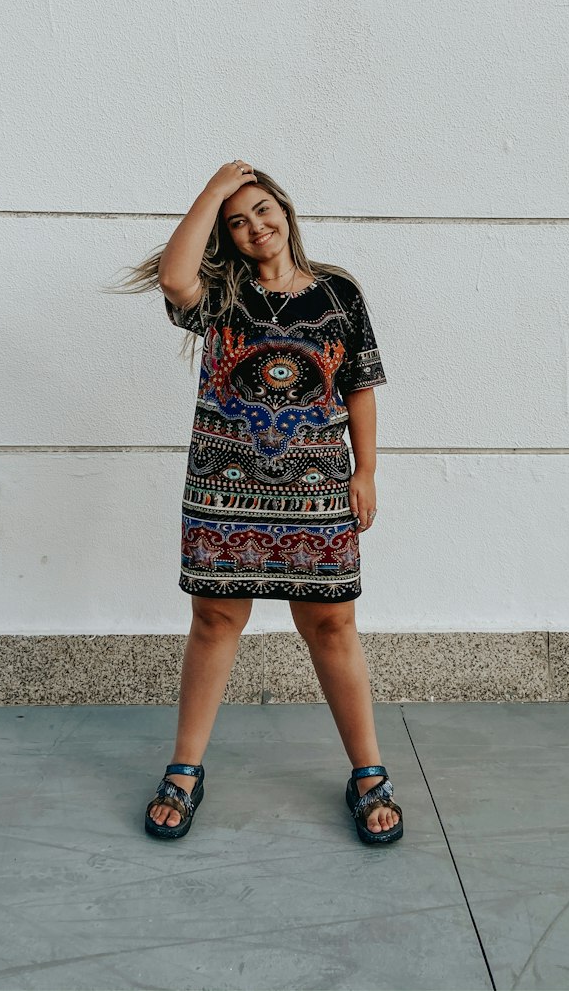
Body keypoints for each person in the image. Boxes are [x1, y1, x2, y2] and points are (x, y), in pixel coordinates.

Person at [114, 160, 403, 845]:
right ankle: (185, 768)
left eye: (263, 210)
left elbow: (359, 384)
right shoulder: (219, 294)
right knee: (215, 619)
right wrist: (213, 188)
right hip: (224, 482)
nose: (255, 227)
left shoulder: (338, 294)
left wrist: (367, 471)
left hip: (317, 485)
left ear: (287, 210)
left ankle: (368, 772)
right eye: (237, 220)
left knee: (332, 625)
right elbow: (174, 276)